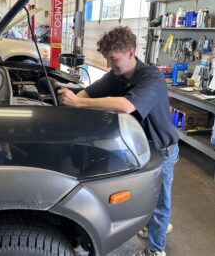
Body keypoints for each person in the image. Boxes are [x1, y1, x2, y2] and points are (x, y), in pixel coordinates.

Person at [58, 26, 179, 256]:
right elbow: (89, 92)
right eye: (108, 60)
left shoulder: (151, 78)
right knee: (146, 193)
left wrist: (78, 104)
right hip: (139, 148)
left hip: (162, 150)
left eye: (114, 59)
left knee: (161, 202)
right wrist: (71, 103)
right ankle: (152, 225)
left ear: (131, 53)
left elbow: (126, 105)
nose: (110, 65)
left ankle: (156, 249)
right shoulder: (118, 75)